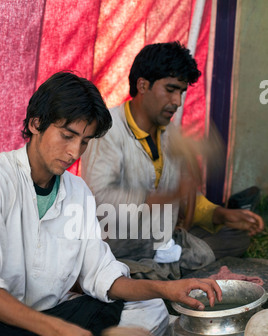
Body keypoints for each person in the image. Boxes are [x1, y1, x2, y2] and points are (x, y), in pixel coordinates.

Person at [0, 71, 222, 336]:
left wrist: (169, 289)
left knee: (152, 309)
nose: (75, 152)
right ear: (35, 123)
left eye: (85, 142)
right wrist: (56, 331)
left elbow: (103, 276)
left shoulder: (77, 192)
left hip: (54, 318)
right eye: (67, 135)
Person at [81, 42, 264, 281]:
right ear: (143, 85)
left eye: (181, 92)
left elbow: (186, 200)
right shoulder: (107, 131)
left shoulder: (168, 132)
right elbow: (101, 201)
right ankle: (154, 272)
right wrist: (172, 195)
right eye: (170, 89)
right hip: (122, 247)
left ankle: (164, 269)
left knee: (236, 236)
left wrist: (222, 215)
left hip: (162, 238)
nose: (177, 101)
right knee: (125, 269)